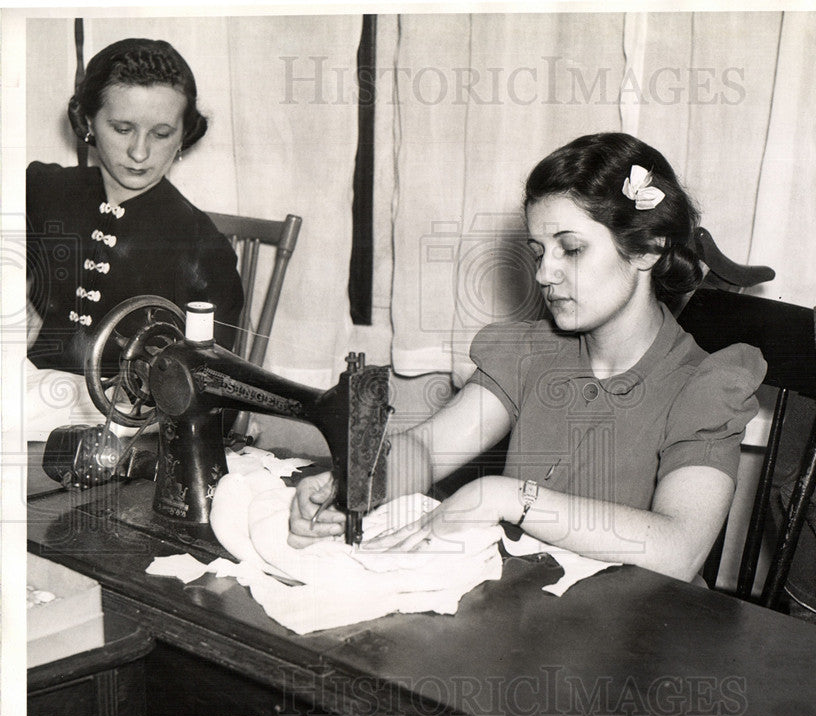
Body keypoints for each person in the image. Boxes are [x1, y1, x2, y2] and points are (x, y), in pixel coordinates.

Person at [290, 132, 766, 582]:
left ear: (646, 248)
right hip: (528, 610)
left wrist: (507, 496)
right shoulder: (532, 353)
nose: (543, 273)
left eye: (571, 250)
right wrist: (356, 483)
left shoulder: (703, 384)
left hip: (638, 637)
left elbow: (678, 549)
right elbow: (430, 447)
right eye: (538, 252)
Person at [26, 38, 243, 382]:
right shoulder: (40, 188)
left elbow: (212, 394)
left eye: (161, 133)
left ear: (185, 134)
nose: (139, 153)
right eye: (122, 129)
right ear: (87, 121)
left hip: (121, 422)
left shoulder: (205, 250)